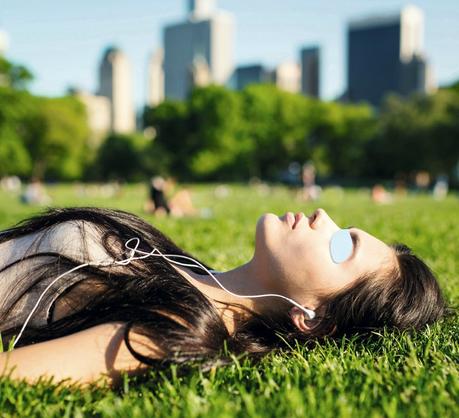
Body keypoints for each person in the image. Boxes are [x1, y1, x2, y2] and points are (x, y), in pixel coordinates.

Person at [0, 207, 446, 387]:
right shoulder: (190, 270)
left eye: (342, 247)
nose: (322, 216)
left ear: (312, 317)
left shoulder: (175, 328)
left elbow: (15, 374)